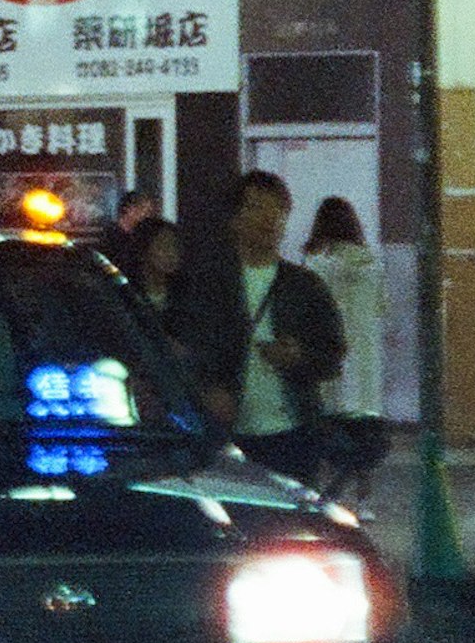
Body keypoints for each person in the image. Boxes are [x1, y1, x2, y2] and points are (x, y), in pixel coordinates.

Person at [169, 172, 348, 482]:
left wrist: (299, 357)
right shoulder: (208, 284)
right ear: (234, 220)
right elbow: (183, 349)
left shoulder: (305, 286)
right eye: (256, 207)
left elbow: (332, 355)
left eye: (278, 209)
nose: (269, 218)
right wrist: (207, 390)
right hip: (225, 436)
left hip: (293, 435)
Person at [298, 197, 394, 499]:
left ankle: (326, 497)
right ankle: (364, 499)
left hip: (330, 358)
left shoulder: (315, 264)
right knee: (364, 434)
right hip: (365, 362)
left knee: (328, 429)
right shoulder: (372, 264)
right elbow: (382, 307)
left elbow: (307, 311)